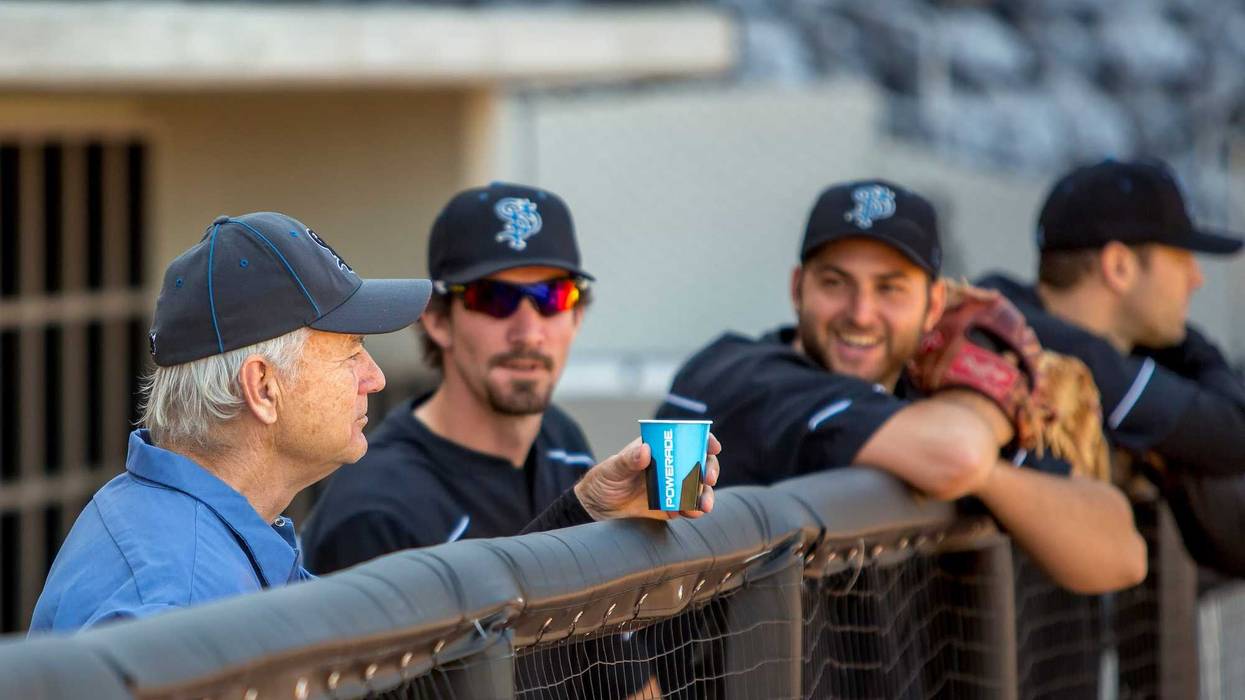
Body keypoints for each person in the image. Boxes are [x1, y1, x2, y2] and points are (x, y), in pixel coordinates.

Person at [30, 211, 716, 635]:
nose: (375, 378)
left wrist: (584, 512)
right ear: (262, 389)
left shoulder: (209, 526)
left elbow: (417, 669)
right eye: (350, 353)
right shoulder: (176, 596)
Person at [657, 180, 1146, 594]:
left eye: (890, 288)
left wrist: (991, 478)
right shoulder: (739, 375)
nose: (861, 313)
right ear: (797, 288)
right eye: (835, 283)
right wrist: (996, 399)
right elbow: (956, 454)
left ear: (934, 305)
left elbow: (1123, 554)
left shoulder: (928, 405)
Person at [976, 158, 1245, 575]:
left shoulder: (1088, 344)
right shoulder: (1017, 332)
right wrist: (1192, 345)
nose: (1196, 278)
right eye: (1181, 258)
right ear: (1119, 266)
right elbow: (1234, 433)